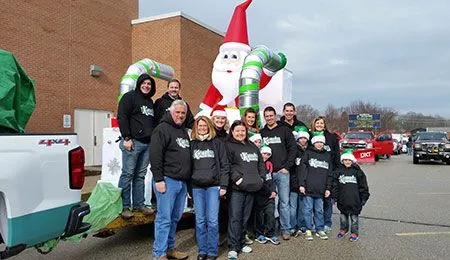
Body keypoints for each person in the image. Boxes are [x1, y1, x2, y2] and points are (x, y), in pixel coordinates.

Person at [150, 100, 191, 260]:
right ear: (170, 112)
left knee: (175, 218)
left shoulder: (182, 131)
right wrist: (159, 179)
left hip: (181, 183)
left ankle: (170, 249)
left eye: (183, 113)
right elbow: (155, 156)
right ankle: (159, 254)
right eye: (178, 112)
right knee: (164, 219)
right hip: (167, 180)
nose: (180, 115)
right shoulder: (161, 129)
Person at [117, 73, 156, 219]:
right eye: (144, 83)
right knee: (128, 174)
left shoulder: (150, 102)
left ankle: (139, 204)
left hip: (147, 144)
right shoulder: (130, 97)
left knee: (140, 175)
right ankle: (125, 206)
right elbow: (122, 116)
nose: (146, 86)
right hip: (133, 142)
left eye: (149, 84)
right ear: (139, 84)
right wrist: (127, 137)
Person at [190, 116, 230, 260]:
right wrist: (189, 189)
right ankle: (202, 251)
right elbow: (188, 167)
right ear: (196, 127)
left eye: (204, 126)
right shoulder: (192, 144)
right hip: (197, 187)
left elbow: (225, 165)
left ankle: (212, 251)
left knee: (212, 220)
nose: (202, 128)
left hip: (214, 186)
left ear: (209, 127)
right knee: (200, 221)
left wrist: (224, 185)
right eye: (200, 126)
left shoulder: (217, 143)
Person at [226, 120, 266, 260]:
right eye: (237, 130)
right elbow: (227, 165)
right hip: (237, 189)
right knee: (235, 218)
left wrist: (261, 178)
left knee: (245, 217)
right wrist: (237, 179)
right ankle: (232, 246)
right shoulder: (228, 145)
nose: (240, 133)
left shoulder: (252, 146)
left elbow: (261, 163)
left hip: (252, 187)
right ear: (232, 131)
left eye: (243, 131)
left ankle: (242, 242)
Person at [260, 106, 297, 240]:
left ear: (275, 116)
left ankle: (286, 228)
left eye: (271, 115)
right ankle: (269, 228)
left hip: (282, 172)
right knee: (269, 203)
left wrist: (287, 167)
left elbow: (293, 149)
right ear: (264, 117)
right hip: (267, 174)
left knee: (284, 202)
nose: (269, 118)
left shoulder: (284, 130)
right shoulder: (262, 132)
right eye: (267, 116)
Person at [298, 131, 333, 241]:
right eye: (317, 142)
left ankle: (319, 229)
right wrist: (302, 184)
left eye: (321, 142)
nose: (319, 144)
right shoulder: (308, 154)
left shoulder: (327, 156)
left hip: (321, 189)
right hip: (308, 188)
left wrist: (328, 188)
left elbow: (330, 174)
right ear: (313, 143)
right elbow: (302, 170)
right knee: (308, 209)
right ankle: (308, 228)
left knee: (319, 210)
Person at [331, 149, 370, 242]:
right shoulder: (338, 172)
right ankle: (343, 229)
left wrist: (364, 197)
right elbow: (335, 185)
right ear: (342, 161)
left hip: (355, 200)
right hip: (342, 199)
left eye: (349, 160)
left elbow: (363, 185)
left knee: (354, 218)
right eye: (345, 160)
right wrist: (334, 197)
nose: (347, 162)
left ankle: (354, 233)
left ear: (352, 161)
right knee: (343, 217)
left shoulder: (358, 172)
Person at [310, 116, 340, 233]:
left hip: (329, 172)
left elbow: (336, 155)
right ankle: (316, 222)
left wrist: (336, 171)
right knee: (315, 200)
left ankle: (327, 223)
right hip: (314, 173)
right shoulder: (310, 137)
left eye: (321, 123)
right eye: (317, 123)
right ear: (314, 124)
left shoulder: (331, 138)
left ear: (325, 125)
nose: (319, 125)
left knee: (327, 200)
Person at [254, 145, 279, 245]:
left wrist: (274, 191)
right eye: (264, 153)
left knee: (270, 214)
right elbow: (259, 182)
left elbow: (271, 180)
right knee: (259, 215)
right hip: (260, 195)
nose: (266, 156)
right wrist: (268, 192)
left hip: (270, 195)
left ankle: (271, 233)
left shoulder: (269, 165)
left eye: (268, 154)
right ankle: (259, 233)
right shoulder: (256, 165)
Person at [289, 126, 310, 237]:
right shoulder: (294, 150)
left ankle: (301, 225)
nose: (302, 140)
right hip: (293, 183)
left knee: (302, 207)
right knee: (293, 207)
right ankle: (292, 226)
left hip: (304, 184)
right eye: (300, 138)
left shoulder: (309, 151)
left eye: (304, 138)